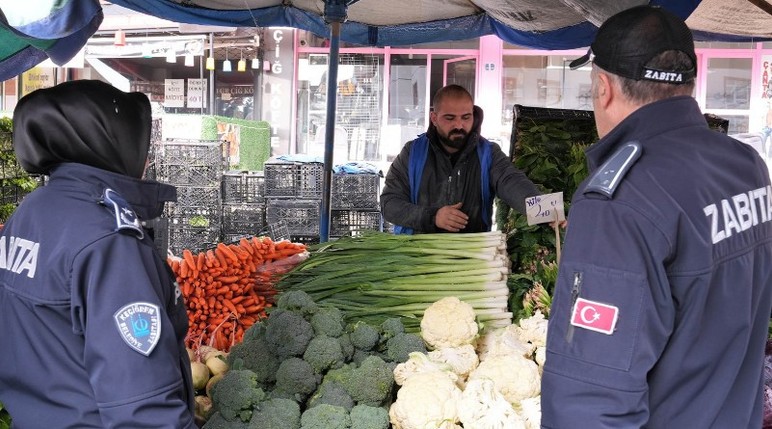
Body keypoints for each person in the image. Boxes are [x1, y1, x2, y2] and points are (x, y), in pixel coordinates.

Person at [541, 5, 772, 428]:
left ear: (603, 88)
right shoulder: (746, 166)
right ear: (688, 84)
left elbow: (590, 399)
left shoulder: (620, 200)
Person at [0, 80, 196, 428]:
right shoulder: (110, 240)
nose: (146, 156)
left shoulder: (31, 211)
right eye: (139, 141)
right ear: (110, 142)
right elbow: (143, 411)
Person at [380, 84, 541, 233]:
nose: (458, 125)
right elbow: (389, 204)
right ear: (434, 118)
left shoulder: (488, 153)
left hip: (473, 252)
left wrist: (543, 210)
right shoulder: (412, 153)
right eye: (450, 118)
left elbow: (511, 181)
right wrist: (433, 217)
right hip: (417, 252)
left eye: (466, 117)